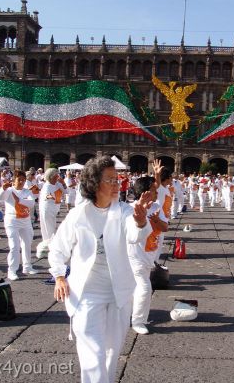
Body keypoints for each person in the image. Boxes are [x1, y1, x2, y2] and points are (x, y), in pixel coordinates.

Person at [48, 156, 152, 383]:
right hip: (86, 294)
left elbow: (136, 235)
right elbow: (57, 249)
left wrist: (141, 222)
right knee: (92, 355)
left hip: (119, 294)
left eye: (117, 179)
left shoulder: (125, 210)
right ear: (94, 183)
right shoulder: (78, 215)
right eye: (111, 180)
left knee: (111, 353)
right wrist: (59, 276)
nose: (117, 184)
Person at [127, 176, 168, 335]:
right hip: (134, 256)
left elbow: (165, 228)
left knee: (133, 288)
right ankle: (138, 321)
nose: (156, 192)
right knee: (144, 288)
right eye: (153, 189)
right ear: (144, 192)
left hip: (150, 254)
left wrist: (157, 219)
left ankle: (128, 315)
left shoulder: (157, 206)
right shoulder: (130, 208)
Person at [0, 170, 38, 280]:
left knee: (27, 244)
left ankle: (27, 266)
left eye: (23, 180)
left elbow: (31, 203)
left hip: (25, 220)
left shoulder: (27, 191)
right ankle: (12, 270)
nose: (21, 182)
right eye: (19, 179)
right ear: (13, 180)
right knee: (14, 246)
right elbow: (0, 198)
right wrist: (3, 188)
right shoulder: (10, 190)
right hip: (12, 221)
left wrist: (19, 200)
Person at [37, 168, 65, 258]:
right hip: (47, 209)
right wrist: (51, 197)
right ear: (52, 176)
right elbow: (46, 195)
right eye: (57, 175)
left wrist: (63, 183)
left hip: (54, 209)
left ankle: (49, 246)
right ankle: (49, 247)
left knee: (51, 227)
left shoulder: (58, 184)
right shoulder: (47, 185)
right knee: (49, 229)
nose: (58, 176)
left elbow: (67, 191)